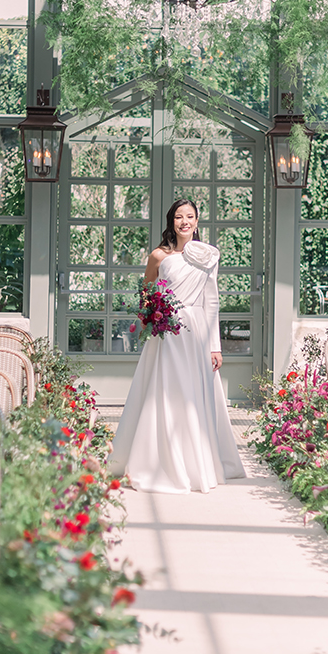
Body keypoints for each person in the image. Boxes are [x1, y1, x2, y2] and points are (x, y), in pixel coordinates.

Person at [110, 198, 246, 494]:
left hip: (196, 332)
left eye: (190, 217)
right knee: (166, 394)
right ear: (172, 222)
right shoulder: (159, 255)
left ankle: (197, 463)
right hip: (167, 333)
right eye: (179, 217)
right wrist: (149, 317)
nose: (184, 222)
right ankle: (157, 461)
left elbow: (212, 301)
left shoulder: (208, 256)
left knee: (193, 396)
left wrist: (215, 346)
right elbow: (147, 291)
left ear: (197, 221)